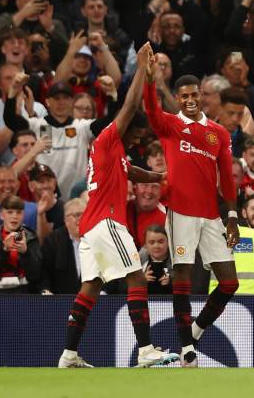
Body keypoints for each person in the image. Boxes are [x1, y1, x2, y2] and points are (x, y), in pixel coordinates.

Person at [58, 42, 179, 368]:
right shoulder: (109, 138)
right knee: (137, 279)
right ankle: (145, 350)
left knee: (91, 287)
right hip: (107, 222)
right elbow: (129, 105)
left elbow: (134, 171)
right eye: (137, 133)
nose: (139, 139)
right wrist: (141, 68)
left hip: (90, 227)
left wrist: (160, 175)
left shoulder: (115, 156)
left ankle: (68, 355)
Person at [144, 67, 240, 367]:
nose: (189, 100)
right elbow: (150, 108)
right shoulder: (170, 125)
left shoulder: (219, 133)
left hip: (212, 215)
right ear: (177, 98)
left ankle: (194, 332)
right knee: (182, 274)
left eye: (193, 94)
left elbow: (226, 175)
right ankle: (187, 349)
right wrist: (149, 81)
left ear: (202, 96)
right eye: (183, 96)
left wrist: (233, 215)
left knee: (229, 283)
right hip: (181, 211)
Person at [0, 195, 43, 294]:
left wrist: (25, 253)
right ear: (1, 215)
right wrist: (4, 250)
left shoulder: (31, 238)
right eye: (10, 212)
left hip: (26, 294)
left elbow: (37, 274)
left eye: (19, 212)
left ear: (23, 215)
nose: (15, 216)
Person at [40, 198, 87, 295]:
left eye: (85, 214)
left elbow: (109, 271)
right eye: (77, 215)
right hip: (60, 301)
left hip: (95, 301)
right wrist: (46, 290)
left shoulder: (99, 240)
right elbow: (44, 272)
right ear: (66, 220)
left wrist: (104, 291)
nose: (81, 219)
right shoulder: (53, 241)